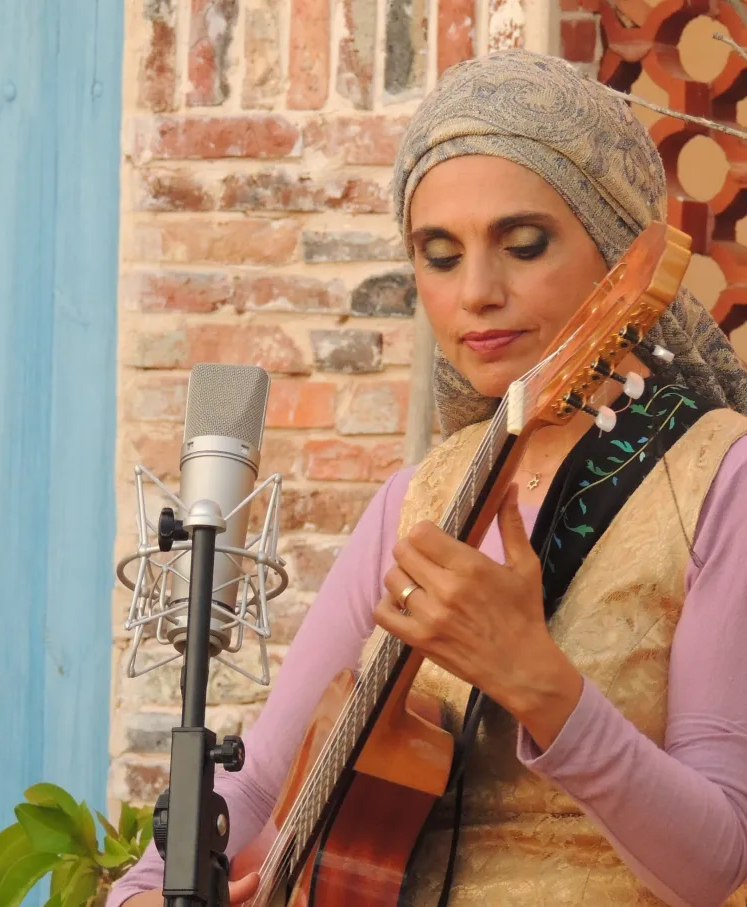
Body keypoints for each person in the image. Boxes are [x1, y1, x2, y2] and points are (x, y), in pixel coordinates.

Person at [108, 50, 747, 907]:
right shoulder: (418, 498)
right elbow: (255, 782)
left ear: (616, 251)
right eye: (439, 256)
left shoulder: (719, 479)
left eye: (523, 245)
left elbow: (716, 866)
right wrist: (145, 889)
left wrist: (540, 683)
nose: (477, 292)